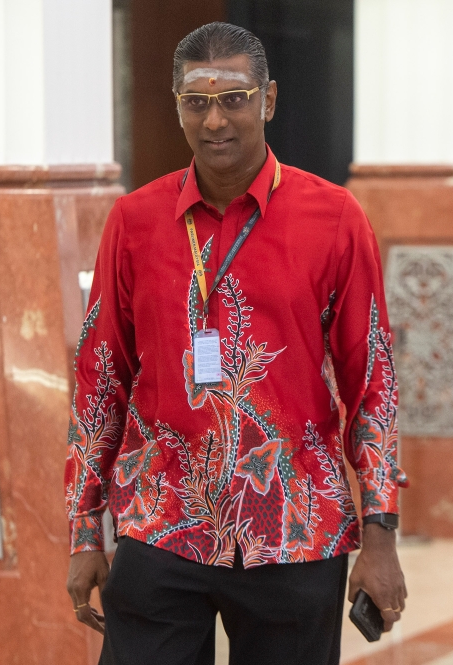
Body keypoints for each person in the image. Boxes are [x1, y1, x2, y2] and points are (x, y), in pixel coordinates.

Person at [65, 22, 407, 665]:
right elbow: (100, 377)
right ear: (177, 107)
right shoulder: (135, 222)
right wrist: (86, 529)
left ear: (269, 100)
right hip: (163, 521)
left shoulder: (334, 219)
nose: (215, 120)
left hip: (295, 529)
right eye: (196, 102)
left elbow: (373, 383)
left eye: (235, 98)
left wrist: (380, 534)